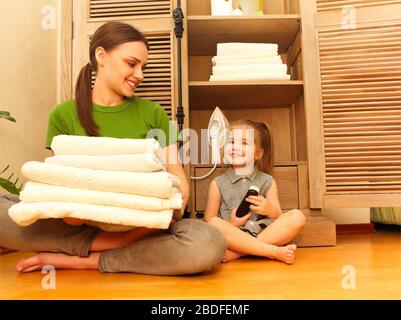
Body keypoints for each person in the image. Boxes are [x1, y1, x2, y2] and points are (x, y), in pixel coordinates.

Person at [0, 22, 226, 275]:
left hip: (144, 228)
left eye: (143, 67)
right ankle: (106, 249)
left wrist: (165, 211)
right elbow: (62, 190)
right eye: (132, 64)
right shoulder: (63, 115)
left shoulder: (153, 113)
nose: (140, 74)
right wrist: (72, 211)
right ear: (101, 56)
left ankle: (86, 259)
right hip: (81, 228)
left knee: (209, 242)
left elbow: (178, 179)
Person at [204, 119, 306, 264]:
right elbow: (209, 220)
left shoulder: (267, 181)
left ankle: (239, 253)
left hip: (263, 233)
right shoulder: (218, 183)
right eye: (231, 142)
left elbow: (278, 217)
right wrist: (233, 225)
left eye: (244, 143)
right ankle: (273, 251)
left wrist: (270, 209)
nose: (235, 147)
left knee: (297, 216)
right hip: (233, 236)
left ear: (258, 153)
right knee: (214, 223)